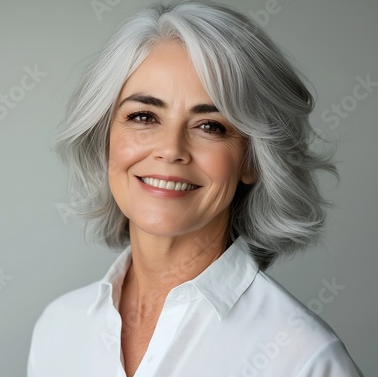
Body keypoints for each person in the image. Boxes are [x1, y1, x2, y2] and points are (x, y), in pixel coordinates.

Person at [27, 1, 363, 376]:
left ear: (252, 159)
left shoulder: (305, 359)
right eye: (144, 116)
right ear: (106, 137)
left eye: (210, 126)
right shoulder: (58, 328)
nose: (171, 149)